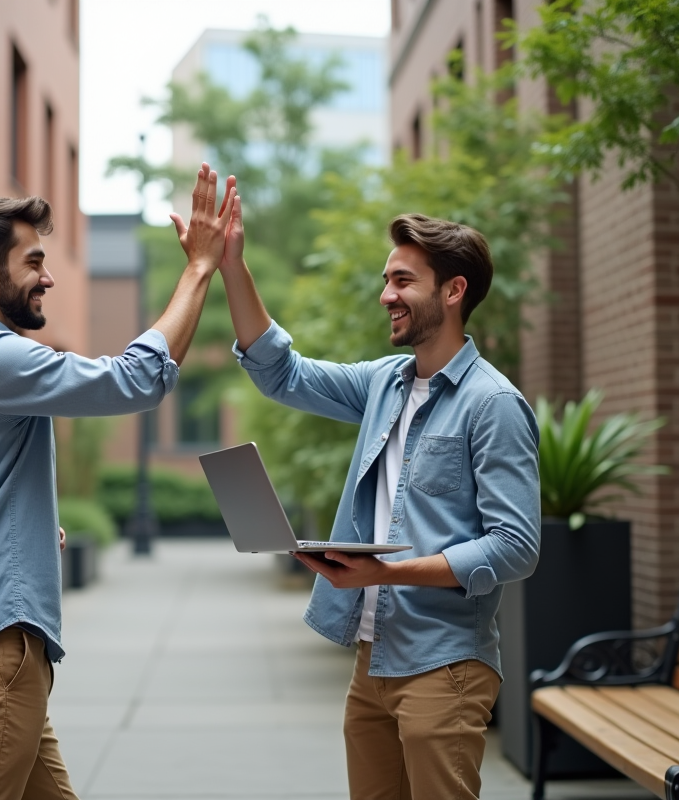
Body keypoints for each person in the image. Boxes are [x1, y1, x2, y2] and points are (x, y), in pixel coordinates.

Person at [0, 165, 234, 800]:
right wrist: (199, 269)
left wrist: (8, 544)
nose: (48, 276)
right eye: (34, 261)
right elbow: (134, 380)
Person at [214, 189, 540, 800]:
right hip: (373, 659)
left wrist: (382, 573)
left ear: (453, 291)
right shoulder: (384, 384)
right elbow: (282, 373)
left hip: (445, 665)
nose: (385, 295)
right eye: (386, 279)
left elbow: (516, 547)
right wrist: (233, 265)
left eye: (401, 280)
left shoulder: (492, 404)